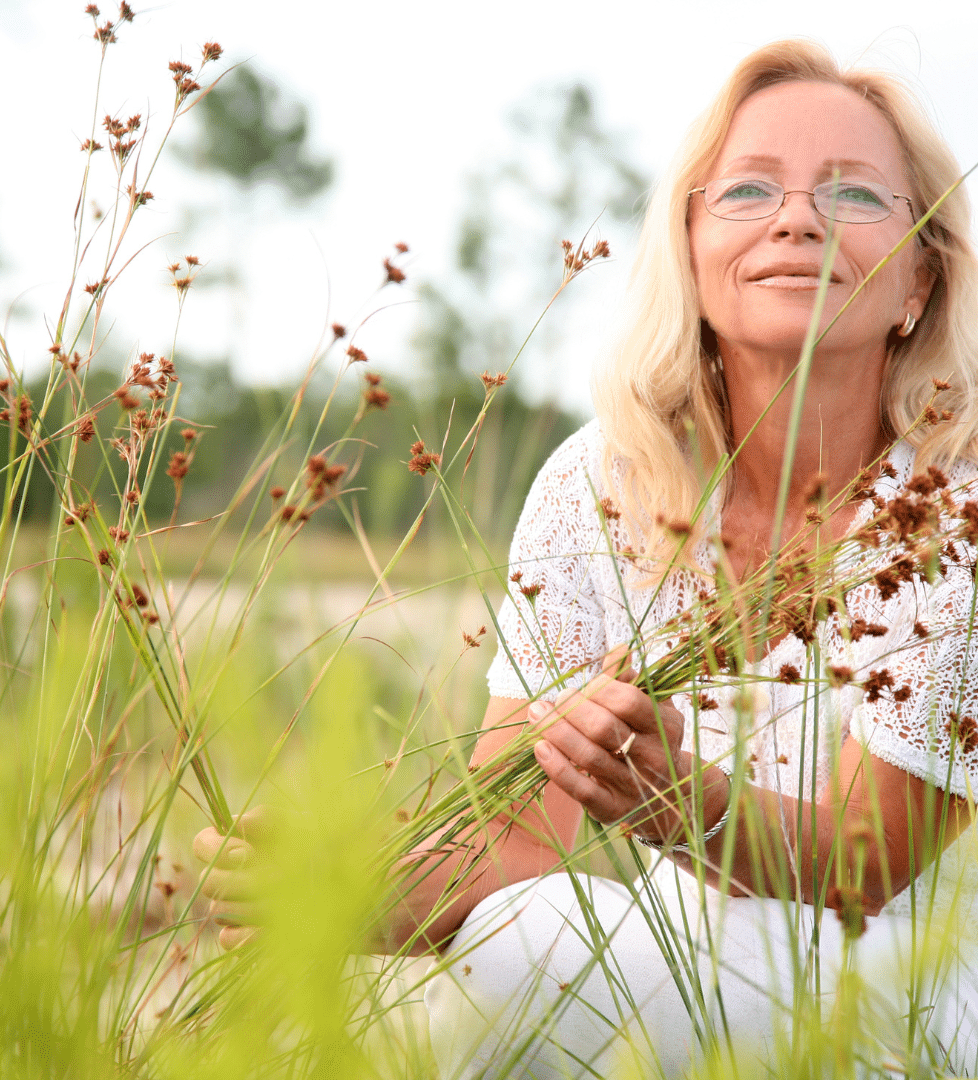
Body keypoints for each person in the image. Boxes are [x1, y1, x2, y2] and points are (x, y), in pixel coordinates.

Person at [194, 40, 978, 1078]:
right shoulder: (604, 481)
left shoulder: (952, 506)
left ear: (919, 280)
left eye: (855, 196)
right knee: (521, 943)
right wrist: (354, 886)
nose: (798, 218)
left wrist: (680, 802)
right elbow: (518, 833)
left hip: (904, 987)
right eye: (748, 189)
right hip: (667, 962)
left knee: (554, 951)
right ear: (691, 249)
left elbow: (869, 865)